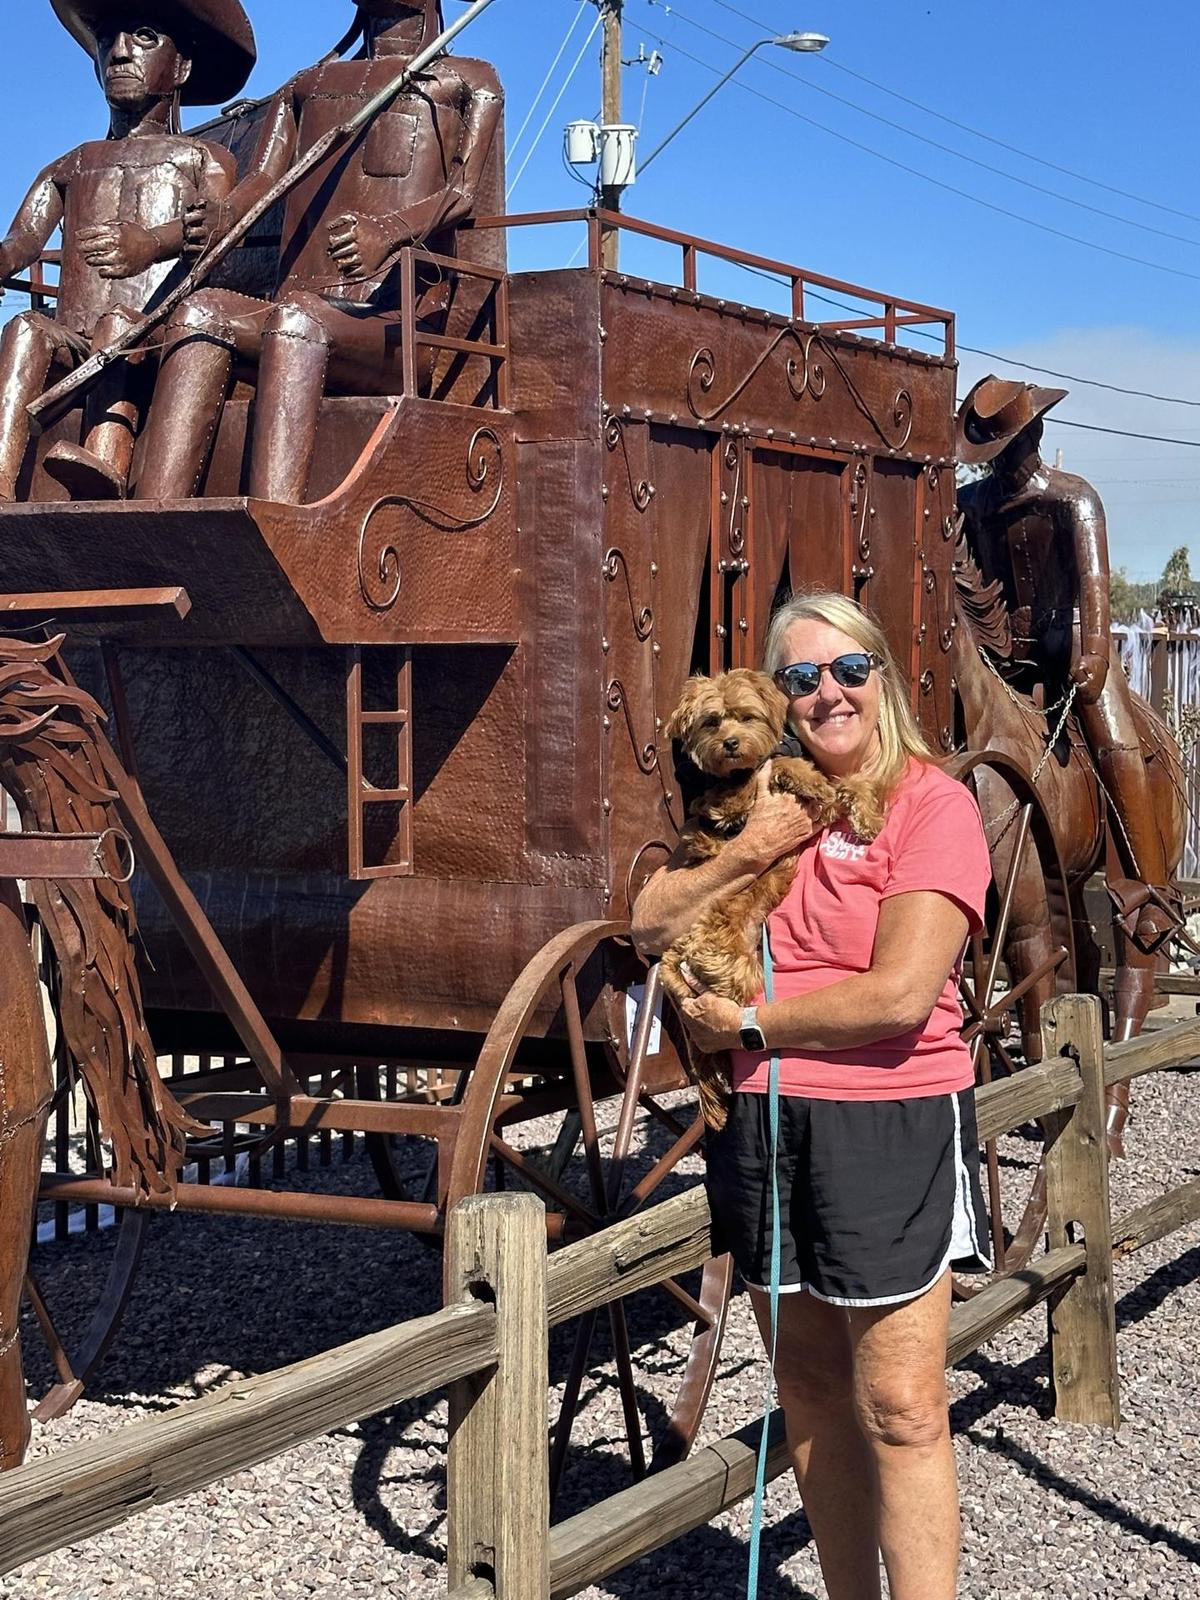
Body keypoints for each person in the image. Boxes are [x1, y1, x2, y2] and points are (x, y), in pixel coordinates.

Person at [632, 591, 993, 1600]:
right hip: (768, 1123)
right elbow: (651, 923)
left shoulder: (931, 805)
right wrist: (754, 848)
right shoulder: (759, 807)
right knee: (811, 1394)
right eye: (800, 678)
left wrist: (746, 1028)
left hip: (890, 1121)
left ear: (882, 678)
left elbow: (900, 993)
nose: (826, 691)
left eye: (846, 670)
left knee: (903, 1407)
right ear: (778, 700)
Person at [133, 0, 504, 505]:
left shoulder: (470, 80)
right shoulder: (306, 85)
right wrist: (226, 216)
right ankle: (153, 516)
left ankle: (276, 526)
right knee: (200, 312)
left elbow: (461, 193)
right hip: (299, 310)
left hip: (396, 330)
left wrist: (388, 232)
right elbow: (264, 179)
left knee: (296, 321)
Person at [0, 0, 257, 501]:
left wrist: (155, 243)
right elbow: (23, 241)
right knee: (27, 326)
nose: (118, 52)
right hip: (74, 340)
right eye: (106, 41)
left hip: (153, 337)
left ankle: (106, 455)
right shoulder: (71, 165)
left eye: (143, 36)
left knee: (119, 321)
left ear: (181, 66)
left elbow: (215, 231)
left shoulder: (204, 159)